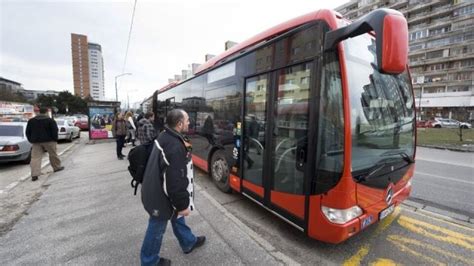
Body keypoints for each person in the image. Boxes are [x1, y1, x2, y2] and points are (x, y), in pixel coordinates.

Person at [140, 109, 206, 266]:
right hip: (158, 195)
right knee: (157, 226)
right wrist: (182, 205)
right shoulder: (174, 146)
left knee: (176, 217)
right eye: (188, 120)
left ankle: (188, 242)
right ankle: (149, 261)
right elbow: (176, 181)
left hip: (155, 188)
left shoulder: (167, 135)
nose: (190, 122)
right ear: (179, 123)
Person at [26, 107, 64, 181]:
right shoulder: (50, 120)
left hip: (36, 142)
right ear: (46, 112)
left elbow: (28, 132)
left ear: (39, 112)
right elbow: (54, 131)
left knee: (35, 157)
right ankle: (56, 167)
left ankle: (34, 174)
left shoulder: (31, 121)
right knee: (53, 154)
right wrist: (55, 139)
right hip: (49, 141)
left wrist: (31, 140)